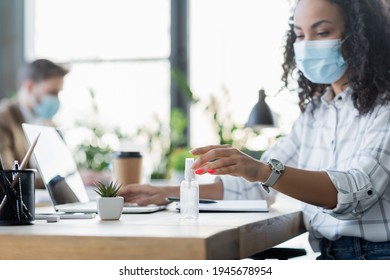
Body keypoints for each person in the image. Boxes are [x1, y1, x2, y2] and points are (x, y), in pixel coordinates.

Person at [119, 0, 390, 259]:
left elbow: (357, 191)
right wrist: (166, 193)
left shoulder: (384, 105)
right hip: (329, 255)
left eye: (321, 32)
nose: (307, 46)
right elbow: (254, 186)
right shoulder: (316, 113)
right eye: (299, 35)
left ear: (359, 34)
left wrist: (263, 171)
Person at [0, 59, 68, 187]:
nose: (56, 99)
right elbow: (9, 177)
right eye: (52, 92)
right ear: (30, 87)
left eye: (58, 93)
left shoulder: (48, 122)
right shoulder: (3, 119)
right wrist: (61, 180)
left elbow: (60, 166)